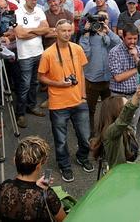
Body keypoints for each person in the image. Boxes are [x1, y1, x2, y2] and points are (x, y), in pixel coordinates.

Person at [38, 19, 93, 181]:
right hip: (58, 103)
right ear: (56, 32)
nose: (67, 33)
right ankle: (65, 165)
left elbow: (82, 74)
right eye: (63, 31)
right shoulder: (48, 53)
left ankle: (82, 157)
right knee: (60, 140)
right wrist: (58, 84)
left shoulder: (77, 49)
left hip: (78, 101)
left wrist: (83, 96)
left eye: (69, 30)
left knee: (85, 137)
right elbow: (41, 77)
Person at [0, 136, 66, 222]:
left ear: (14, 161)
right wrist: (38, 189)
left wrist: (34, 186)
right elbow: (64, 219)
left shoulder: (3, 187)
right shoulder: (46, 195)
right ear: (38, 166)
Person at [79, 10, 121, 131]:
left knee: (108, 110)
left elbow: (119, 44)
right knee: (90, 110)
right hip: (92, 81)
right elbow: (84, 53)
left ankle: (106, 133)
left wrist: (108, 32)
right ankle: (91, 134)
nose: (101, 22)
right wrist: (86, 33)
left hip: (108, 80)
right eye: (99, 19)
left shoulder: (108, 35)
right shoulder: (87, 36)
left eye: (104, 19)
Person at [14, 0, 49, 128]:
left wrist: (29, 30)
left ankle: (31, 105)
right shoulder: (18, 12)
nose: (34, 2)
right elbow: (20, 34)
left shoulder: (39, 11)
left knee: (35, 82)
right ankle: (20, 113)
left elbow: (46, 29)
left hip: (38, 52)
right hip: (25, 55)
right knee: (25, 85)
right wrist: (37, 31)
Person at [89, 85, 140, 169]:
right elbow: (123, 119)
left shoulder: (128, 128)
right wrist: (137, 96)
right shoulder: (110, 133)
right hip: (119, 176)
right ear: (117, 112)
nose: (133, 109)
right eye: (125, 106)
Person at [108, 24, 140, 129]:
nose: (132, 41)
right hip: (119, 96)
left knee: (133, 127)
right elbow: (118, 78)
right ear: (123, 37)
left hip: (135, 95)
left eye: (135, 38)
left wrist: (136, 58)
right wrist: (137, 68)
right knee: (118, 127)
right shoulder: (115, 52)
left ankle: (131, 146)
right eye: (129, 38)